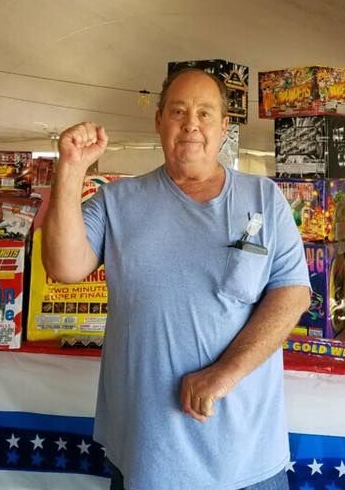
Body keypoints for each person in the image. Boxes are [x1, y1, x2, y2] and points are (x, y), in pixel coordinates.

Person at [42, 68, 311, 490]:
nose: (191, 123)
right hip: (147, 450)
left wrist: (226, 371)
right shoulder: (118, 200)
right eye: (178, 111)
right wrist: (72, 169)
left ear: (224, 127)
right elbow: (64, 266)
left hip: (245, 455)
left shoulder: (264, 198)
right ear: (159, 122)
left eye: (205, 113)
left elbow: (292, 293)